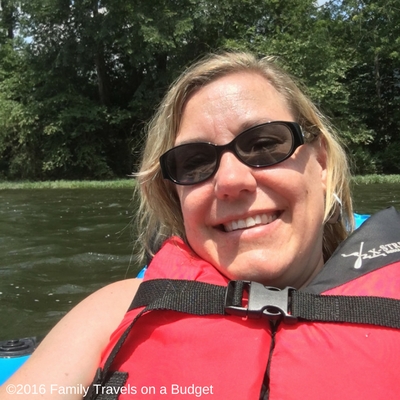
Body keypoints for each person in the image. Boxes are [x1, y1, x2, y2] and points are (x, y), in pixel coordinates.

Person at [1, 52, 400, 400]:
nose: (229, 181)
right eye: (193, 162)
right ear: (174, 194)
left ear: (321, 162)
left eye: (264, 144)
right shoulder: (114, 312)